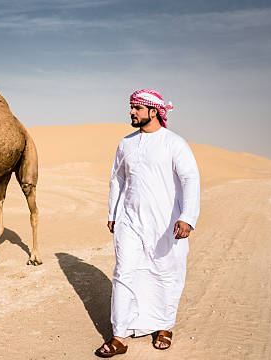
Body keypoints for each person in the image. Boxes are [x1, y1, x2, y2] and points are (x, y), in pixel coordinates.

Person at [95, 89, 200, 358]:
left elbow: (190, 179)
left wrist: (187, 217)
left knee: (166, 271)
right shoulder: (126, 144)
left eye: (137, 108)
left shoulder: (174, 143)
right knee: (124, 272)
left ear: (154, 111)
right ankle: (120, 335)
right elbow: (117, 180)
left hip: (166, 221)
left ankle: (164, 326)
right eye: (131, 107)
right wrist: (113, 213)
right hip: (129, 220)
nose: (131, 112)